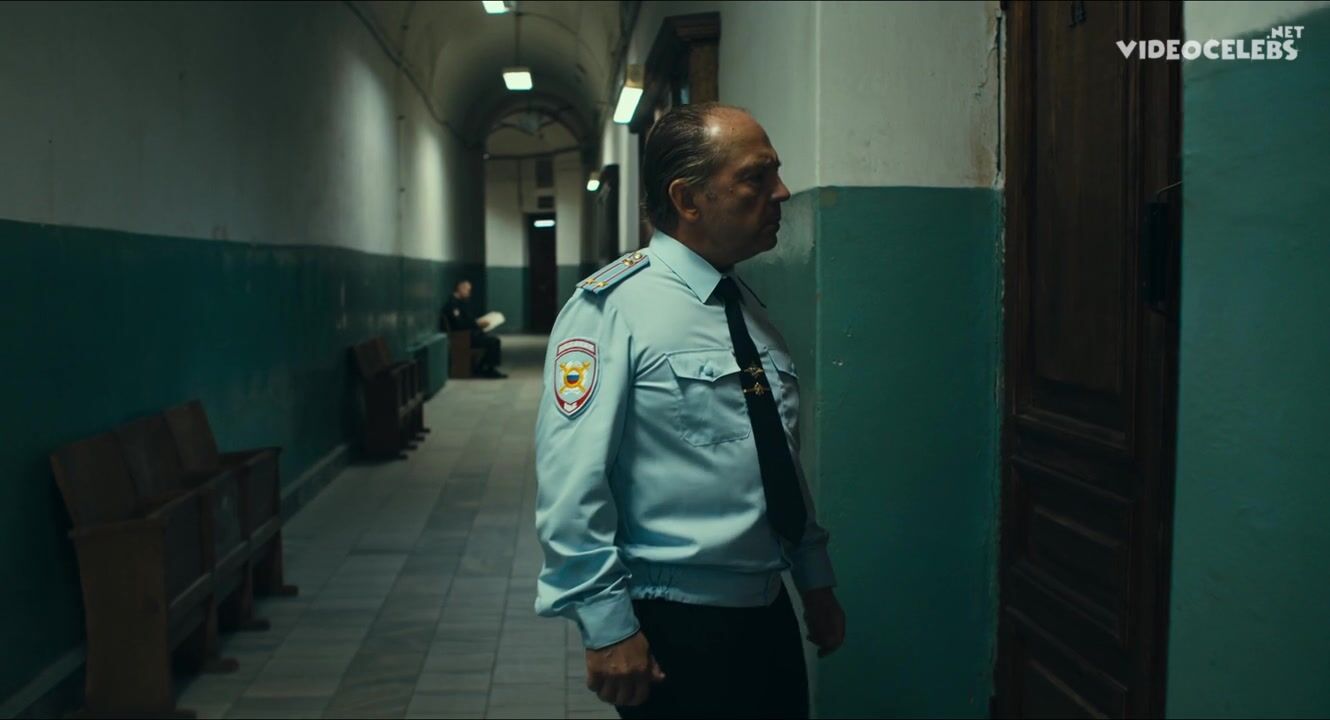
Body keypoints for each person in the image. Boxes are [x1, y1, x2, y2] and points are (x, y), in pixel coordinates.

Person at [533, 103, 846, 719]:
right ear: (687, 199)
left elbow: (773, 456)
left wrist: (814, 578)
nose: (782, 192)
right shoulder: (612, 309)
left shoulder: (746, 308)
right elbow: (571, 483)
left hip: (768, 611)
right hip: (676, 623)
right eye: (756, 177)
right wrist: (606, 624)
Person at [441, 279, 506, 379]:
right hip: (462, 338)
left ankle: (482, 367)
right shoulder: (452, 305)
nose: (469, 293)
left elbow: (468, 320)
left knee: (491, 340)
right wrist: (477, 324)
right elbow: (459, 324)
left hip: (468, 334)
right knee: (494, 342)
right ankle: (488, 369)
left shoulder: (461, 303)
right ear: (460, 288)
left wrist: (478, 323)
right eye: (467, 290)